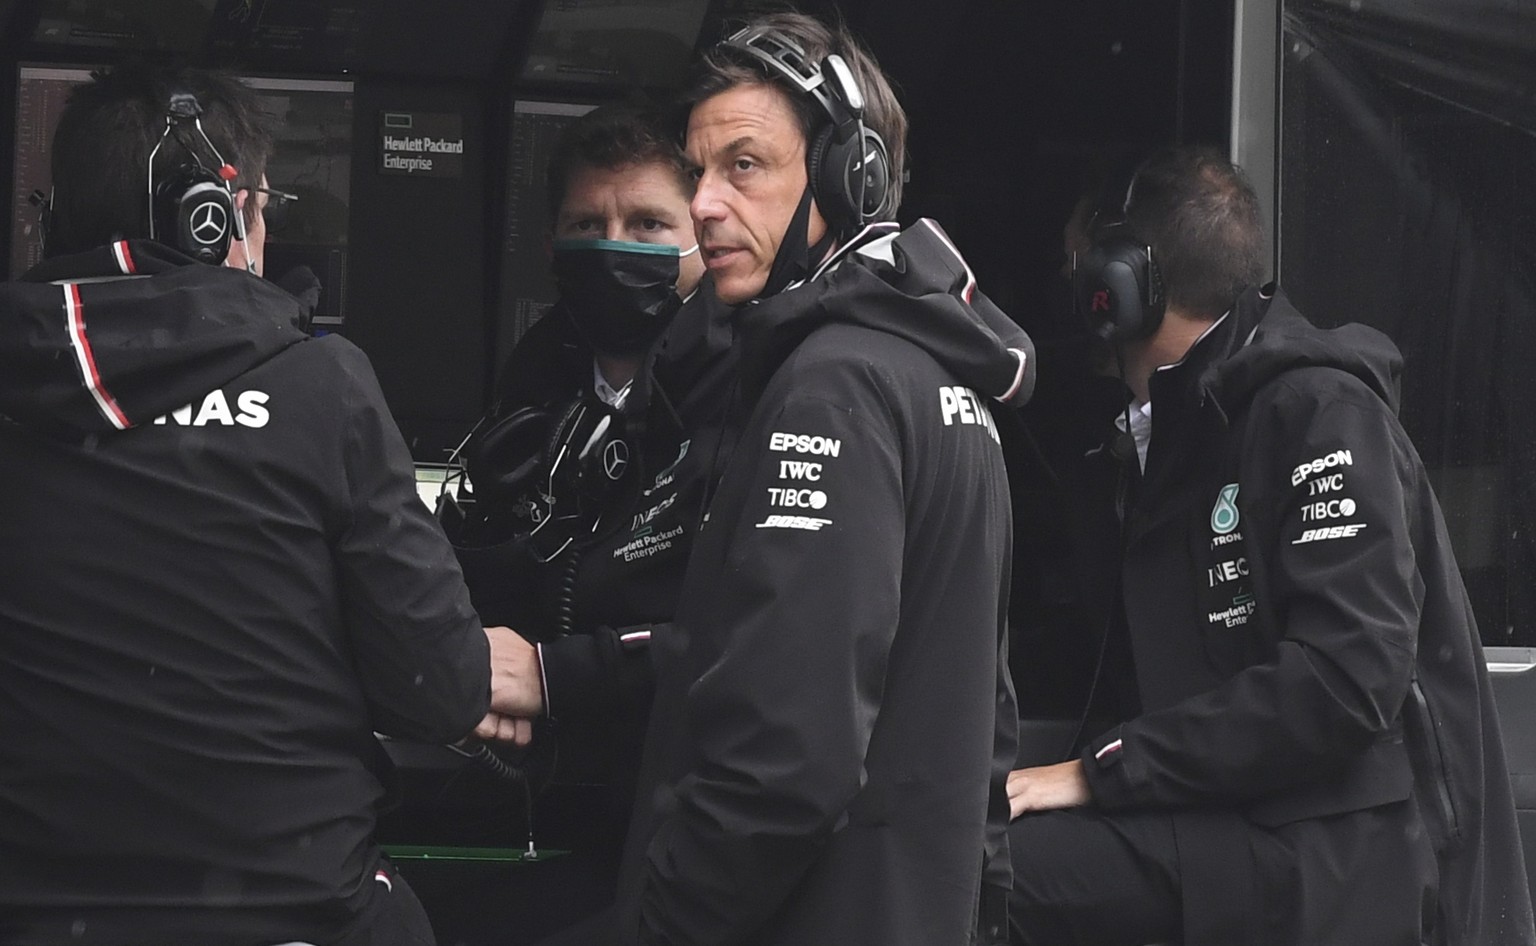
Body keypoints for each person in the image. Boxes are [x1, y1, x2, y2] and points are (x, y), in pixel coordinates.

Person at [0, 63, 529, 945]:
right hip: (295, 910)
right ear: (217, 215)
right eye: (264, 207)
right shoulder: (322, 385)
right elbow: (441, 695)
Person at [1006, 145, 1536, 946]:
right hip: (1221, 834)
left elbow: (1345, 679)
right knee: (965, 853)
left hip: (1325, 865)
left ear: (1121, 284)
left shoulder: (1316, 410)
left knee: (991, 877)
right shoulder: (1161, 439)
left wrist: (1101, 770)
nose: (1074, 294)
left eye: (1080, 270)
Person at [612, 13, 1035, 946]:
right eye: (698, 173)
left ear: (850, 179)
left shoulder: (830, 387)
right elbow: (987, 740)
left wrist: (660, 924)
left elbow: (783, 763)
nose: (707, 205)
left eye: (745, 166)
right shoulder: (942, 380)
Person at [447, 103, 734, 944]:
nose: (615, 244)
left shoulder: (755, 385)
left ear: (699, 236)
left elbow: (744, 636)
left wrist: (550, 673)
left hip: (688, 812)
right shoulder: (539, 372)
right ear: (550, 246)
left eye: (648, 223)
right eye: (588, 224)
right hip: (556, 791)